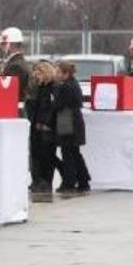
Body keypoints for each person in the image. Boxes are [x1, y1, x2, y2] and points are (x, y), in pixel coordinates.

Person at [54, 61, 91, 194]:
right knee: (74, 153)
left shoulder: (66, 87)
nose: (56, 75)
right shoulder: (72, 84)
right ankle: (82, 180)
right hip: (72, 121)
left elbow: (59, 105)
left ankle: (69, 182)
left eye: (58, 72)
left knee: (68, 153)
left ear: (66, 73)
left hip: (68, 122)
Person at [28, 61, 58, 199]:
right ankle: (37, 180)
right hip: (36, 126)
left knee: (47, 156)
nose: (35, 75)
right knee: (36, 154)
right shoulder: (40, 87)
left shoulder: (53, 88)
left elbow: (52, 108)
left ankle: (46, 181)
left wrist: (46, 122)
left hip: (47, 128)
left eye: (38, 73)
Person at [0, 27, 32, 106]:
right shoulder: (18, 63)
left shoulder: (15, 66)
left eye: (3, 44)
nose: (1, 47)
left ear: (12, 45)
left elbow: (9, 91)